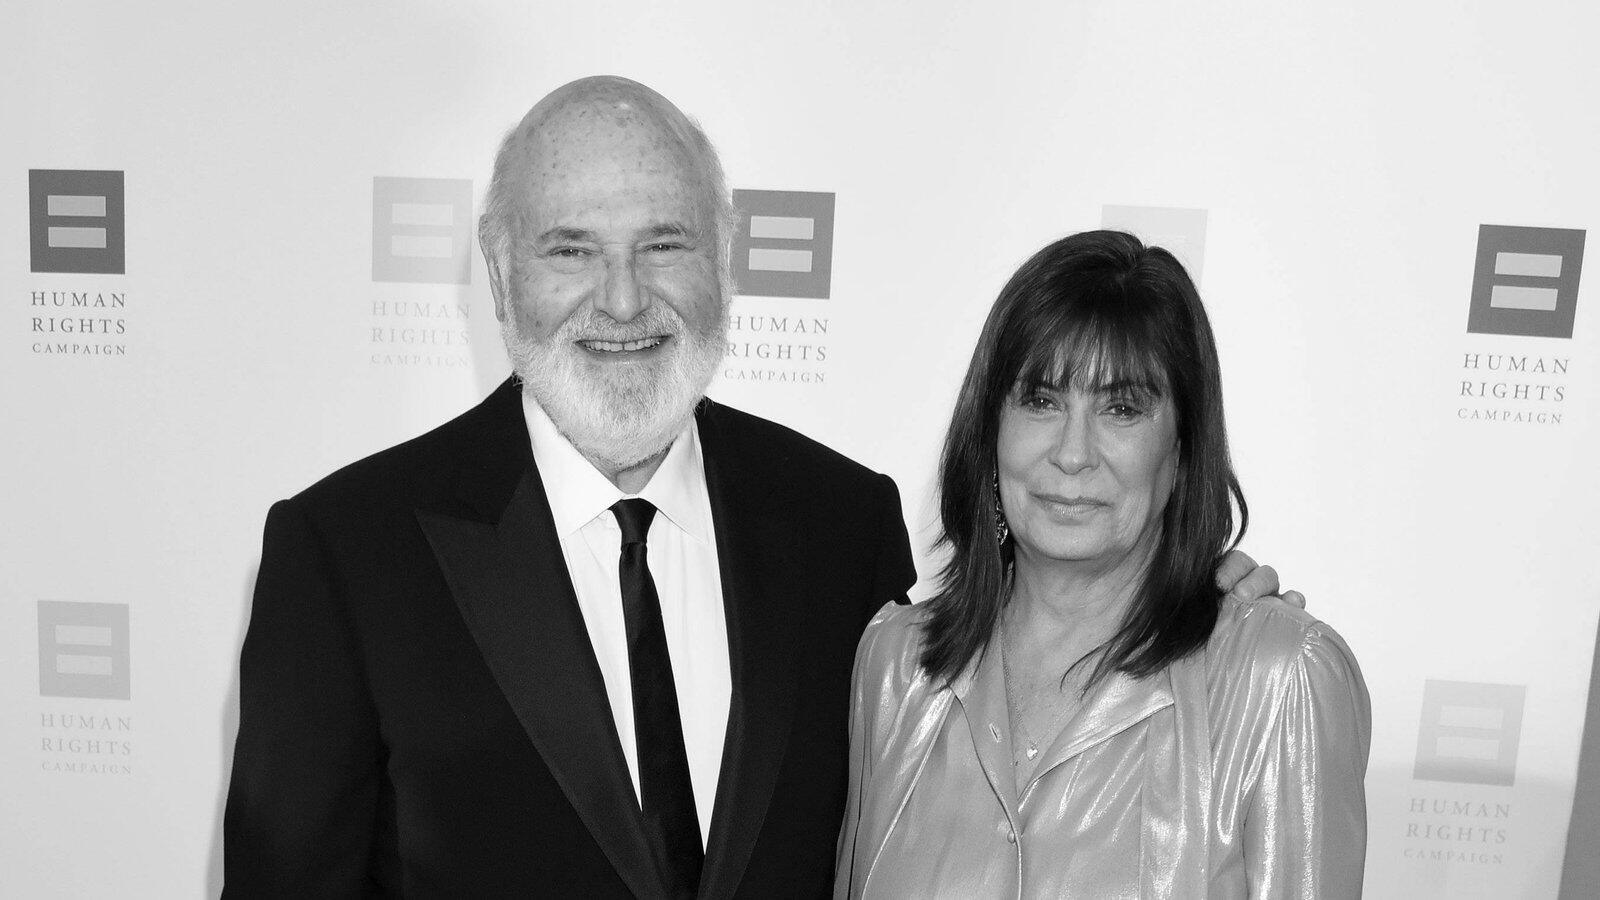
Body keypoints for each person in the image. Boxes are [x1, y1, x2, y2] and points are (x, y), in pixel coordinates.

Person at [224, 77, 1295, 898]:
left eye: (665, 244)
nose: (623, 299)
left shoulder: (840, 524)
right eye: (570, 251)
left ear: (725, 266)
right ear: (500, 277)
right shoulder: (347, 556)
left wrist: (1187, 612)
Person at [836, 231, 1370, 899]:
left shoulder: (1278, 681)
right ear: (990, 429)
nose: (1072, 453)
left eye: (1121, 409)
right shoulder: (895, 666)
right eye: (1041, 401)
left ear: (1183, 448)